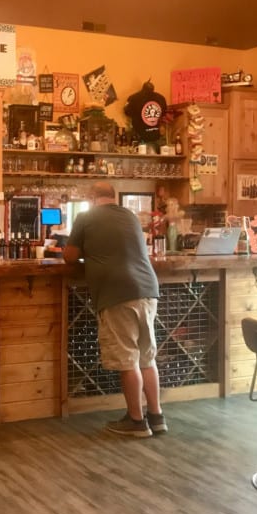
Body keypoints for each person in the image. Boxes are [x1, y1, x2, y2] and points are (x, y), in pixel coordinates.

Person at [63, 181, 165, 437]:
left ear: (90, 196)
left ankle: (136, 421)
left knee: (126, 359)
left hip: (116, 292)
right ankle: (156, 416)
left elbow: (69, 257)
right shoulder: (129, 215)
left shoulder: (86, 217)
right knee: (146, 357)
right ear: (113, 196)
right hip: (147, 289)